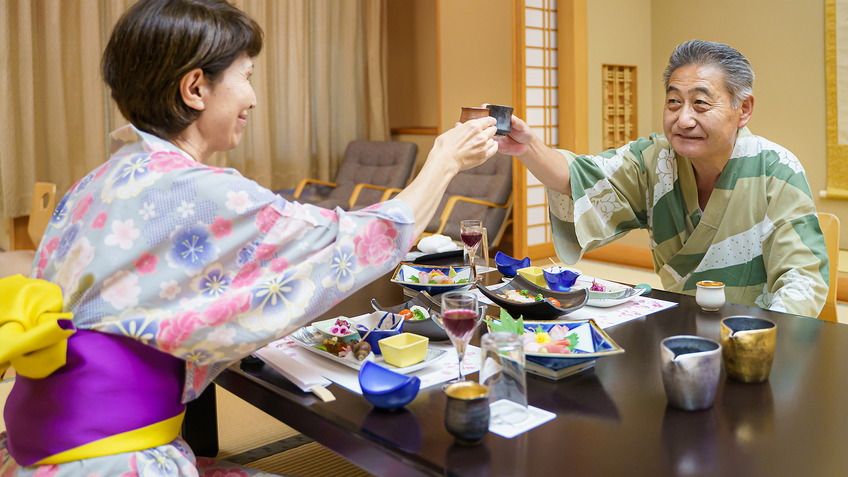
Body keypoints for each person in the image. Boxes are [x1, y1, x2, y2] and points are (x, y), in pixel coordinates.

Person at [0, 1, 498, 476]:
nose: (253, 98)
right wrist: (445, 162)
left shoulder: (95, 183)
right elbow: (353, 240)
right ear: (195, 88)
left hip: (37, 449)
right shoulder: (199, 191)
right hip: (112, 461)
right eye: (245, 76)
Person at [496, 40, 828, 318]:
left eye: (700, 103)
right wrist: (529, 148)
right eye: (674, 102)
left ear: (743, 109)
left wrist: (758, 345)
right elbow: (582, 177)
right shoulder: (656, 159)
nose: (684, 119)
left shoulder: (776, 168)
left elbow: (802, 280)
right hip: (681, 324)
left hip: (758, 333)